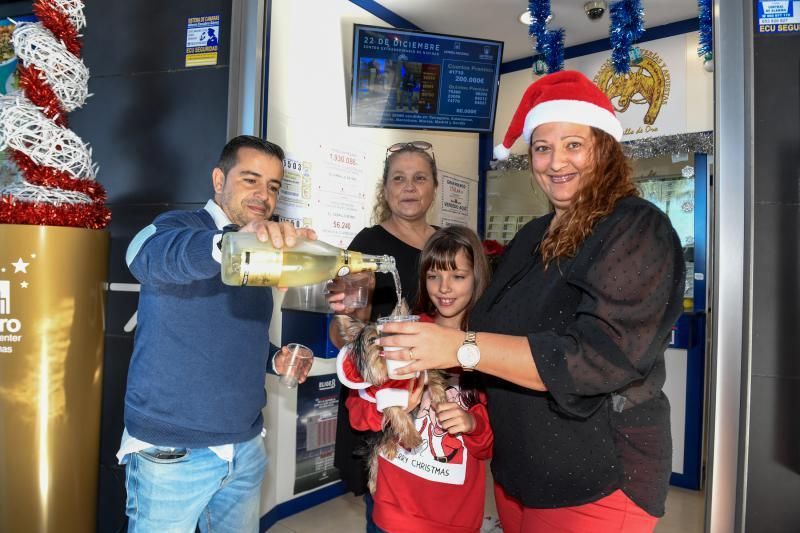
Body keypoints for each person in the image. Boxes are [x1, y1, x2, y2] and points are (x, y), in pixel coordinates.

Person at [378, 71, 685, 532]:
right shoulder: (531, 237)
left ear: (603, 148)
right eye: (542, 147)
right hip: (519, 470)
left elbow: (596, 359)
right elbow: (484, 315)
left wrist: (461, 348)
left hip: (596, 476)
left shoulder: (636, 227)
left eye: (574, 145)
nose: (556, 161)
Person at [118, 135, 316, 533]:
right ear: (218, 179)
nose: (263, 195)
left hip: (243, 450)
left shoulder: (262, 252)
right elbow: (141, 255)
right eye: (250, 180)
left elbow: (233, 332)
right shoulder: (181, 228)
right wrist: (226, 244)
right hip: (172, 453)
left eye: (273, 186)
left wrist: (273, 359)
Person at [341, 225, 493, 533]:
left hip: (452, 517)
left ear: (477, 277)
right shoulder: (404, 332)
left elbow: (489, 444)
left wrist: (471, 423)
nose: (444, 288)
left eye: (458, 276)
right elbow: (357, 412)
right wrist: (386, 408)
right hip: (392, 509)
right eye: (434, 276)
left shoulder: (492, 348)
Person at [328, 140, 439, 531]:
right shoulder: (367, 246)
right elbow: (341, 336)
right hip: (385, 401)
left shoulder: (448, 243)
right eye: (399, 179)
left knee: (440, 499)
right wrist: (347, 313)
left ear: (434, 186)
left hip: (440, 396)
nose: (409, 187)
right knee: (390, 513)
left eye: (419, 178)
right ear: (386, 189)